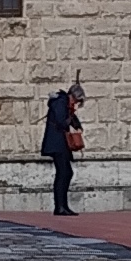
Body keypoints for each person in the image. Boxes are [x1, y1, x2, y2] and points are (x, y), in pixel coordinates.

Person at [41, 76, 86, 216]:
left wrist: (77, 125)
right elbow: (62, 122)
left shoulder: (65, 104)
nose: (76, 103)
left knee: (66, 172)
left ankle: (63, 205)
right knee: (64, 172)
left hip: (61, 144)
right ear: (72, 96)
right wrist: (71, 119)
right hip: (57, 143)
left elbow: (70, 120)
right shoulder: (60, 102)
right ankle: (59, 206)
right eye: (77, 100)